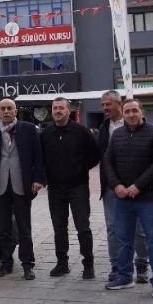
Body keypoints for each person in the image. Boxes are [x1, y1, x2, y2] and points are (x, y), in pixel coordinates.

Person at [103, 99, 153, 298]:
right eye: (127, 111)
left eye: (134, 111)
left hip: (149, 199)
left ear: (142, 112)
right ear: (123, 113)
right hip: (123, 199)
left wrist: (138, 186)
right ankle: (125, 277)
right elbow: (107, 161)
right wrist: (117, 185)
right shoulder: (117, 135)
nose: (131, 115)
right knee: (124, 240)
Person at [0, 99, 43, 280]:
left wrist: (37, 179)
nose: (7, 111)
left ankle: (28, 265)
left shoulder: (28, 129)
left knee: (24, 228)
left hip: (21, 185)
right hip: (0, 187)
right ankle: (6, 263)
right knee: (4, 229)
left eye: (10, 108)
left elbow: (38, 156)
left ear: (16, 111)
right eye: (3, 109)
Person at [40, 97, 100, 279]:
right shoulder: (45, 134)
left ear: (69, 111)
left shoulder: (81, 132)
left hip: (78, 187)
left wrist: (80, 169)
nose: (57, 111)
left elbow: (95, 154)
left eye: (61, 108)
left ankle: (88, 264)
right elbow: (40, 159)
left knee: (83, 227)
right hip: (55, 188)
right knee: (59, 228)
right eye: (55, 108)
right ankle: (62, 263)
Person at [98, 90, 150, 283]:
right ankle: (117, 265)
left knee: (139, 228)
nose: (105, 108)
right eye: (103, 105)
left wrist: (140, 183)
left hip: (137, 186)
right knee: (113, 227)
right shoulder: (104, 128)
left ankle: (142, 263)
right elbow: (102, 158)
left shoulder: (141, 127)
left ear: (119, 104)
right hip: (111, 187)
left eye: (108, 104)